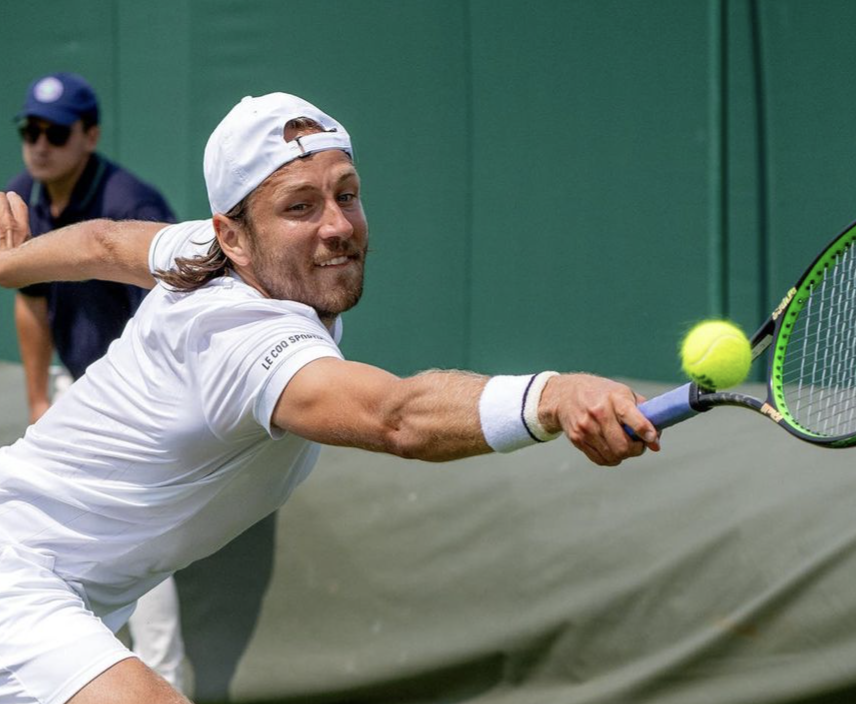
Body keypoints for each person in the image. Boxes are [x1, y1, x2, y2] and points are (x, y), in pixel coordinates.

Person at [0, 91, 660, 704]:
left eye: (347, 194)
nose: (338, 226)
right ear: (234, 235)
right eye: (300, 207)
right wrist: (554, 397)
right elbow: (395, 417)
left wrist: (8, 263)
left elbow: (104, 241)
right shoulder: (237, 337)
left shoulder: (207, 249)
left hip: (61, 583)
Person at [5, 72, 187, 692]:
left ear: (91, 135)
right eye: (30, 130)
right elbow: (29, 301)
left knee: (135, 542)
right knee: (46, 538)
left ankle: (160, 675)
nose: (40, 144)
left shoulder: (130, 202)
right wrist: (37, 397)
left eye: (55, 132)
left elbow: (174, 320)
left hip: (140, 400)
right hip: (72, 390)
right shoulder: (21, 195)